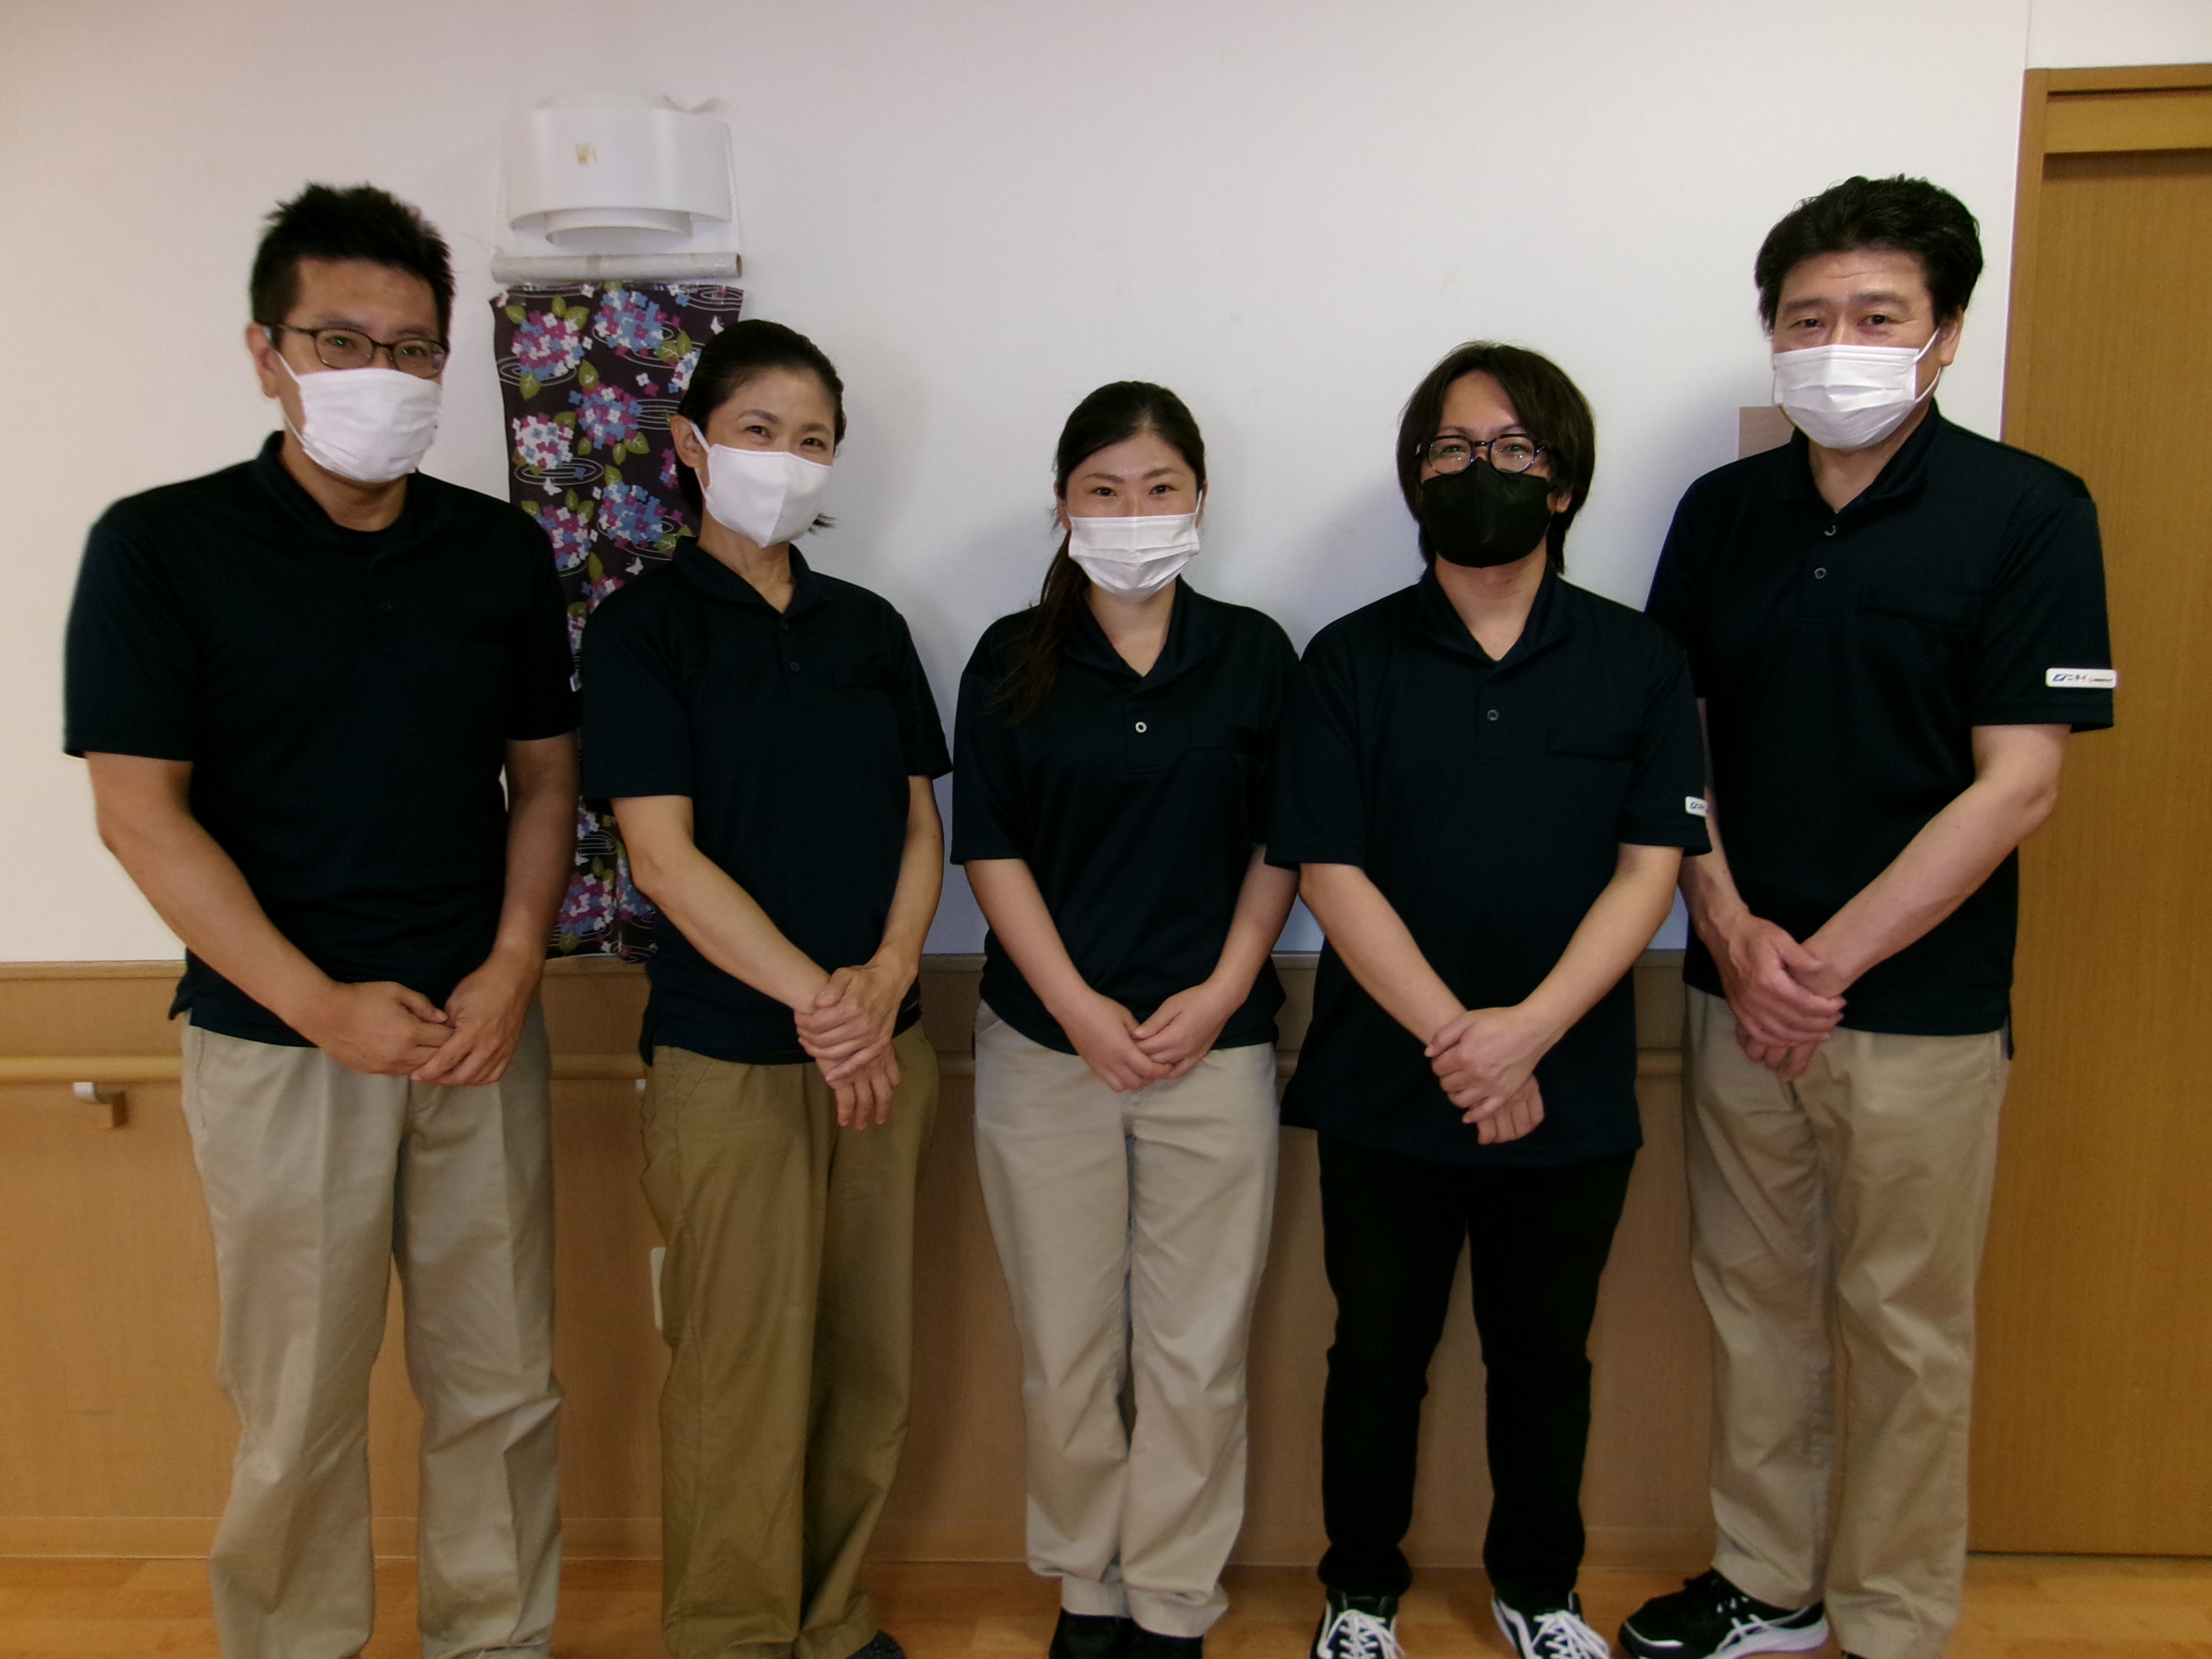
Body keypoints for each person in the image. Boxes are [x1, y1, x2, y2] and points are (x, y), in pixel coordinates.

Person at [63, 183, 577, 1659]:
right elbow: (138, 813)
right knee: (296, 1404)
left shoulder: (496, 552)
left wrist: (513, 967)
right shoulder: (163, 546)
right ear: (266, 353)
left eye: (412, 350)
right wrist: (315, 1002)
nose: (381, 374)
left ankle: (498, 1642)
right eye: (342, 342)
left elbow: (546, 778)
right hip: (279, 1042)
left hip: (478, 1032)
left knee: (504, 1390)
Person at [1622, 176, 2114, 1659]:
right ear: (1772, 335)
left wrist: (1822, 963)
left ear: (1946, 335)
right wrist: (1732, 931)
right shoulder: (1723, 515)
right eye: (1806, 318)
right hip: (1737, 988)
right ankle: (1768, 1583)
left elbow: (2020, 782)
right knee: (1752, 1305)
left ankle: (1894, 1618)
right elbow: (1673, 745)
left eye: (1877, 316)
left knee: (1906, 1329)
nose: (1836, 344)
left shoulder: (2029, 511)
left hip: (1917, 1010)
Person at [1272, 344, 1710, 1659]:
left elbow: (1651, 869)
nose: (1484, 472)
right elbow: (1329, 869)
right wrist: (1462, 1044)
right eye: (1456, 449)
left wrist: (1527, 1036)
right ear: (1419, 477)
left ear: (1563, 484)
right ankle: (1359, 1596)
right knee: (1375, 1354)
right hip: (1385, 1081)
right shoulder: (1346, 660)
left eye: (1515, 450)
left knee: (1546, 1359)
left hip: (1568, 1081)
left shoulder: (1639, 660)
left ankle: (1541, 1592)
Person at [579, 319, 949, 1659]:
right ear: (691, 444)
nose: (785, 460)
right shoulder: (643, 629)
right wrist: (824, 1005)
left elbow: (921, 824)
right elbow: (664, 860)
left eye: (813, 441)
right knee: (739, 1372)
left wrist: (889, 976)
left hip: (884, 1049)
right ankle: (733, 1637)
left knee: (866, 1363)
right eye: (758, 432)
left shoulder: (869, 628)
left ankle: (833, 1621)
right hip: (729, 1055)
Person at [953, 382, 1299, 1659]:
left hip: (1217, 1047)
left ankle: (1172, 1599)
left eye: (1159, 489)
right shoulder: (1010, 657)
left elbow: (1284, 841)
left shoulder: (1255, 654)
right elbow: (990, 850)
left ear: (1200, 499)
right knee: (1067, 1344)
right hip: (1047, 1050)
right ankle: (1086, 1586)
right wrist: (1080, 1009)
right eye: (1104, 490)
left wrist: (1222, 990)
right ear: (1063, 505)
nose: (1133, 513)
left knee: (1197, 1349)